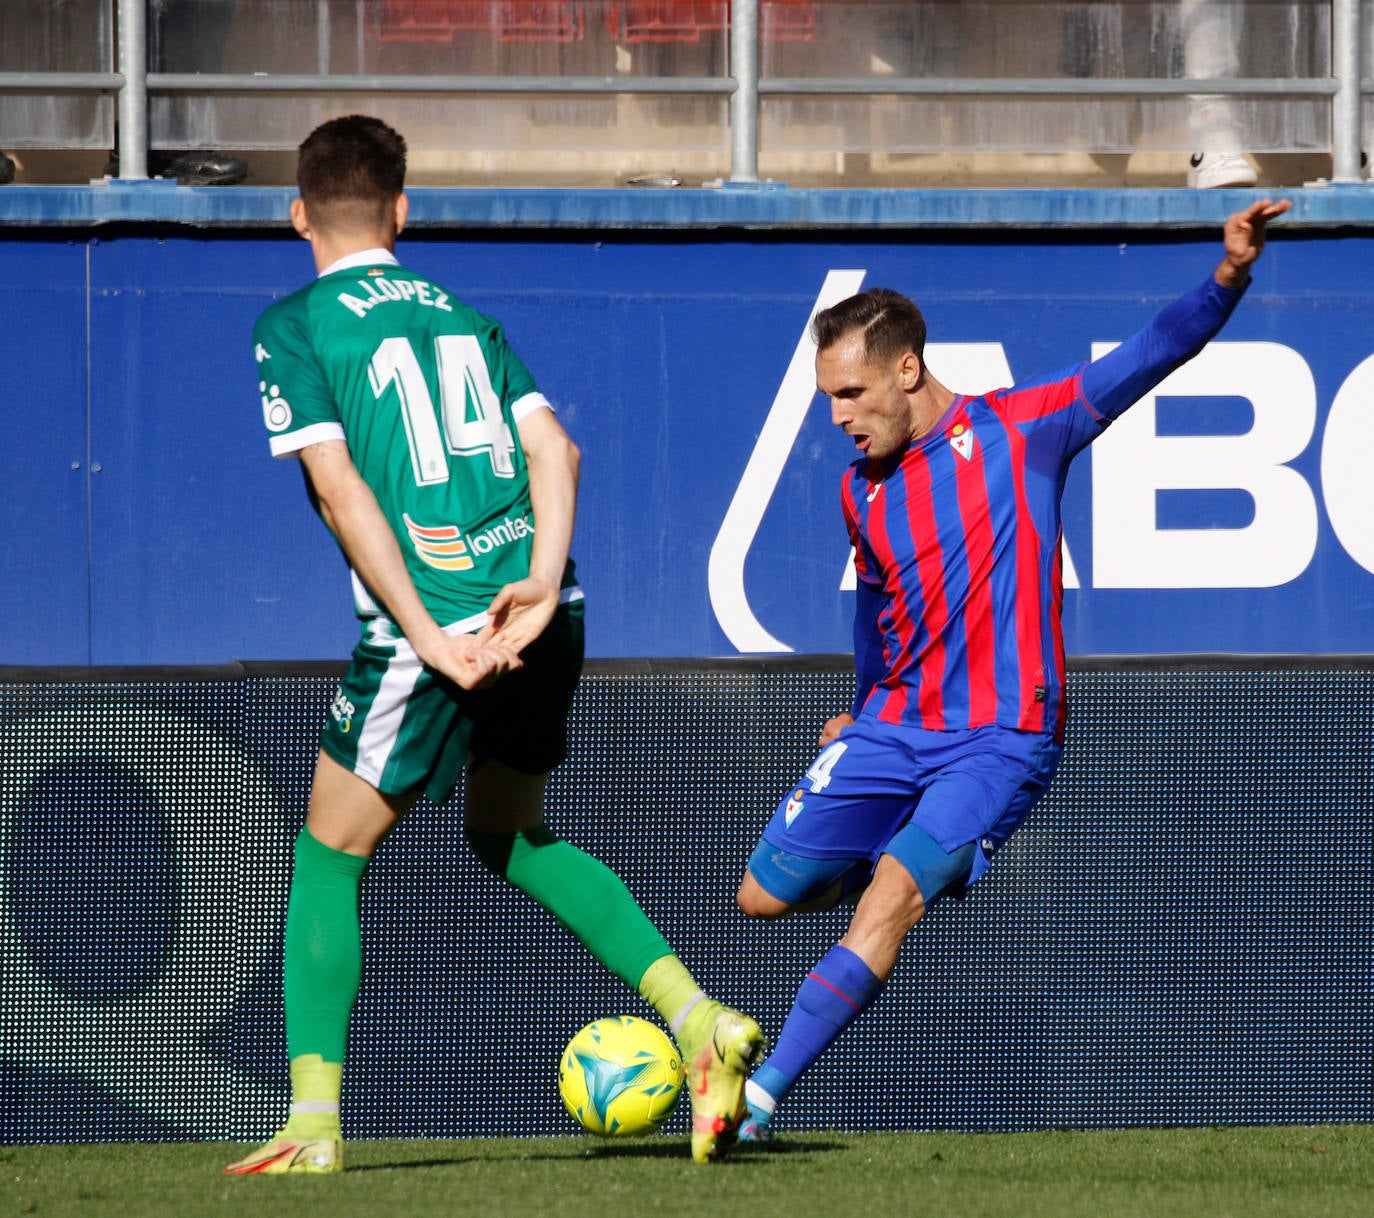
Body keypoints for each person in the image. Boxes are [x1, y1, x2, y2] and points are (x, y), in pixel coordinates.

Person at [226, 114, 763, 1174]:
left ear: (297, 215)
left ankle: (313, 1127)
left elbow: (340, 491)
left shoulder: (294, 325)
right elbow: (558, 451)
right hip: (544, 609)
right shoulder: (468, 321)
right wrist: (542, 584)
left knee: (327, 855)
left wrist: (430, 637)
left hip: (435, 626)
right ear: (403, 211)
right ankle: (699, 1021)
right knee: (509, 832)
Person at [733, 198, 1291, 1141]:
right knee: (761, 897)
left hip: (1001, 737)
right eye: (828, 397)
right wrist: (858, 710)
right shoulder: (860, 491)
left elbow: (1154, 351)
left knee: (891, 902)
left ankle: (754, 1097)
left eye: (851, 393)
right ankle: (897, 845)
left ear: (907, 369)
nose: (837, 417)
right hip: (892, 727)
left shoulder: (1025, 428)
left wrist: (1228, 274)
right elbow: (876, 611)